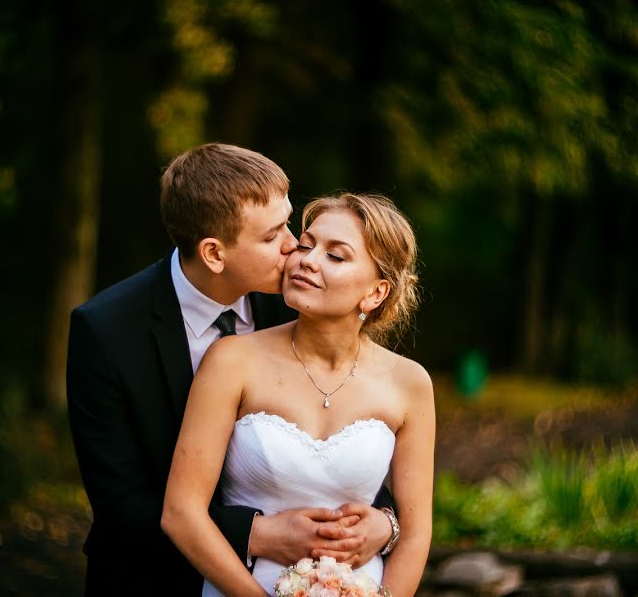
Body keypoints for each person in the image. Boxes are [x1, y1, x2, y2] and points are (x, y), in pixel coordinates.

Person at [67, 145, 396, 596]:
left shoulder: (299, 297)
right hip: (151, 578)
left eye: (288, 222)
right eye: (271, 235)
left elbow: (354, 419)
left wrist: (387, 521)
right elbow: (121, 505)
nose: (293, 246)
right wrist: (256, 533)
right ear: (214, 254)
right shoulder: (106, 332)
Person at [162, 193, 435, 596]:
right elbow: (182, 513)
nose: (306, 259)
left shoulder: (409, 383)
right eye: (306, 245)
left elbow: (416, 533)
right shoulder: (231, 361)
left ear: (376, 293)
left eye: (335, 256)